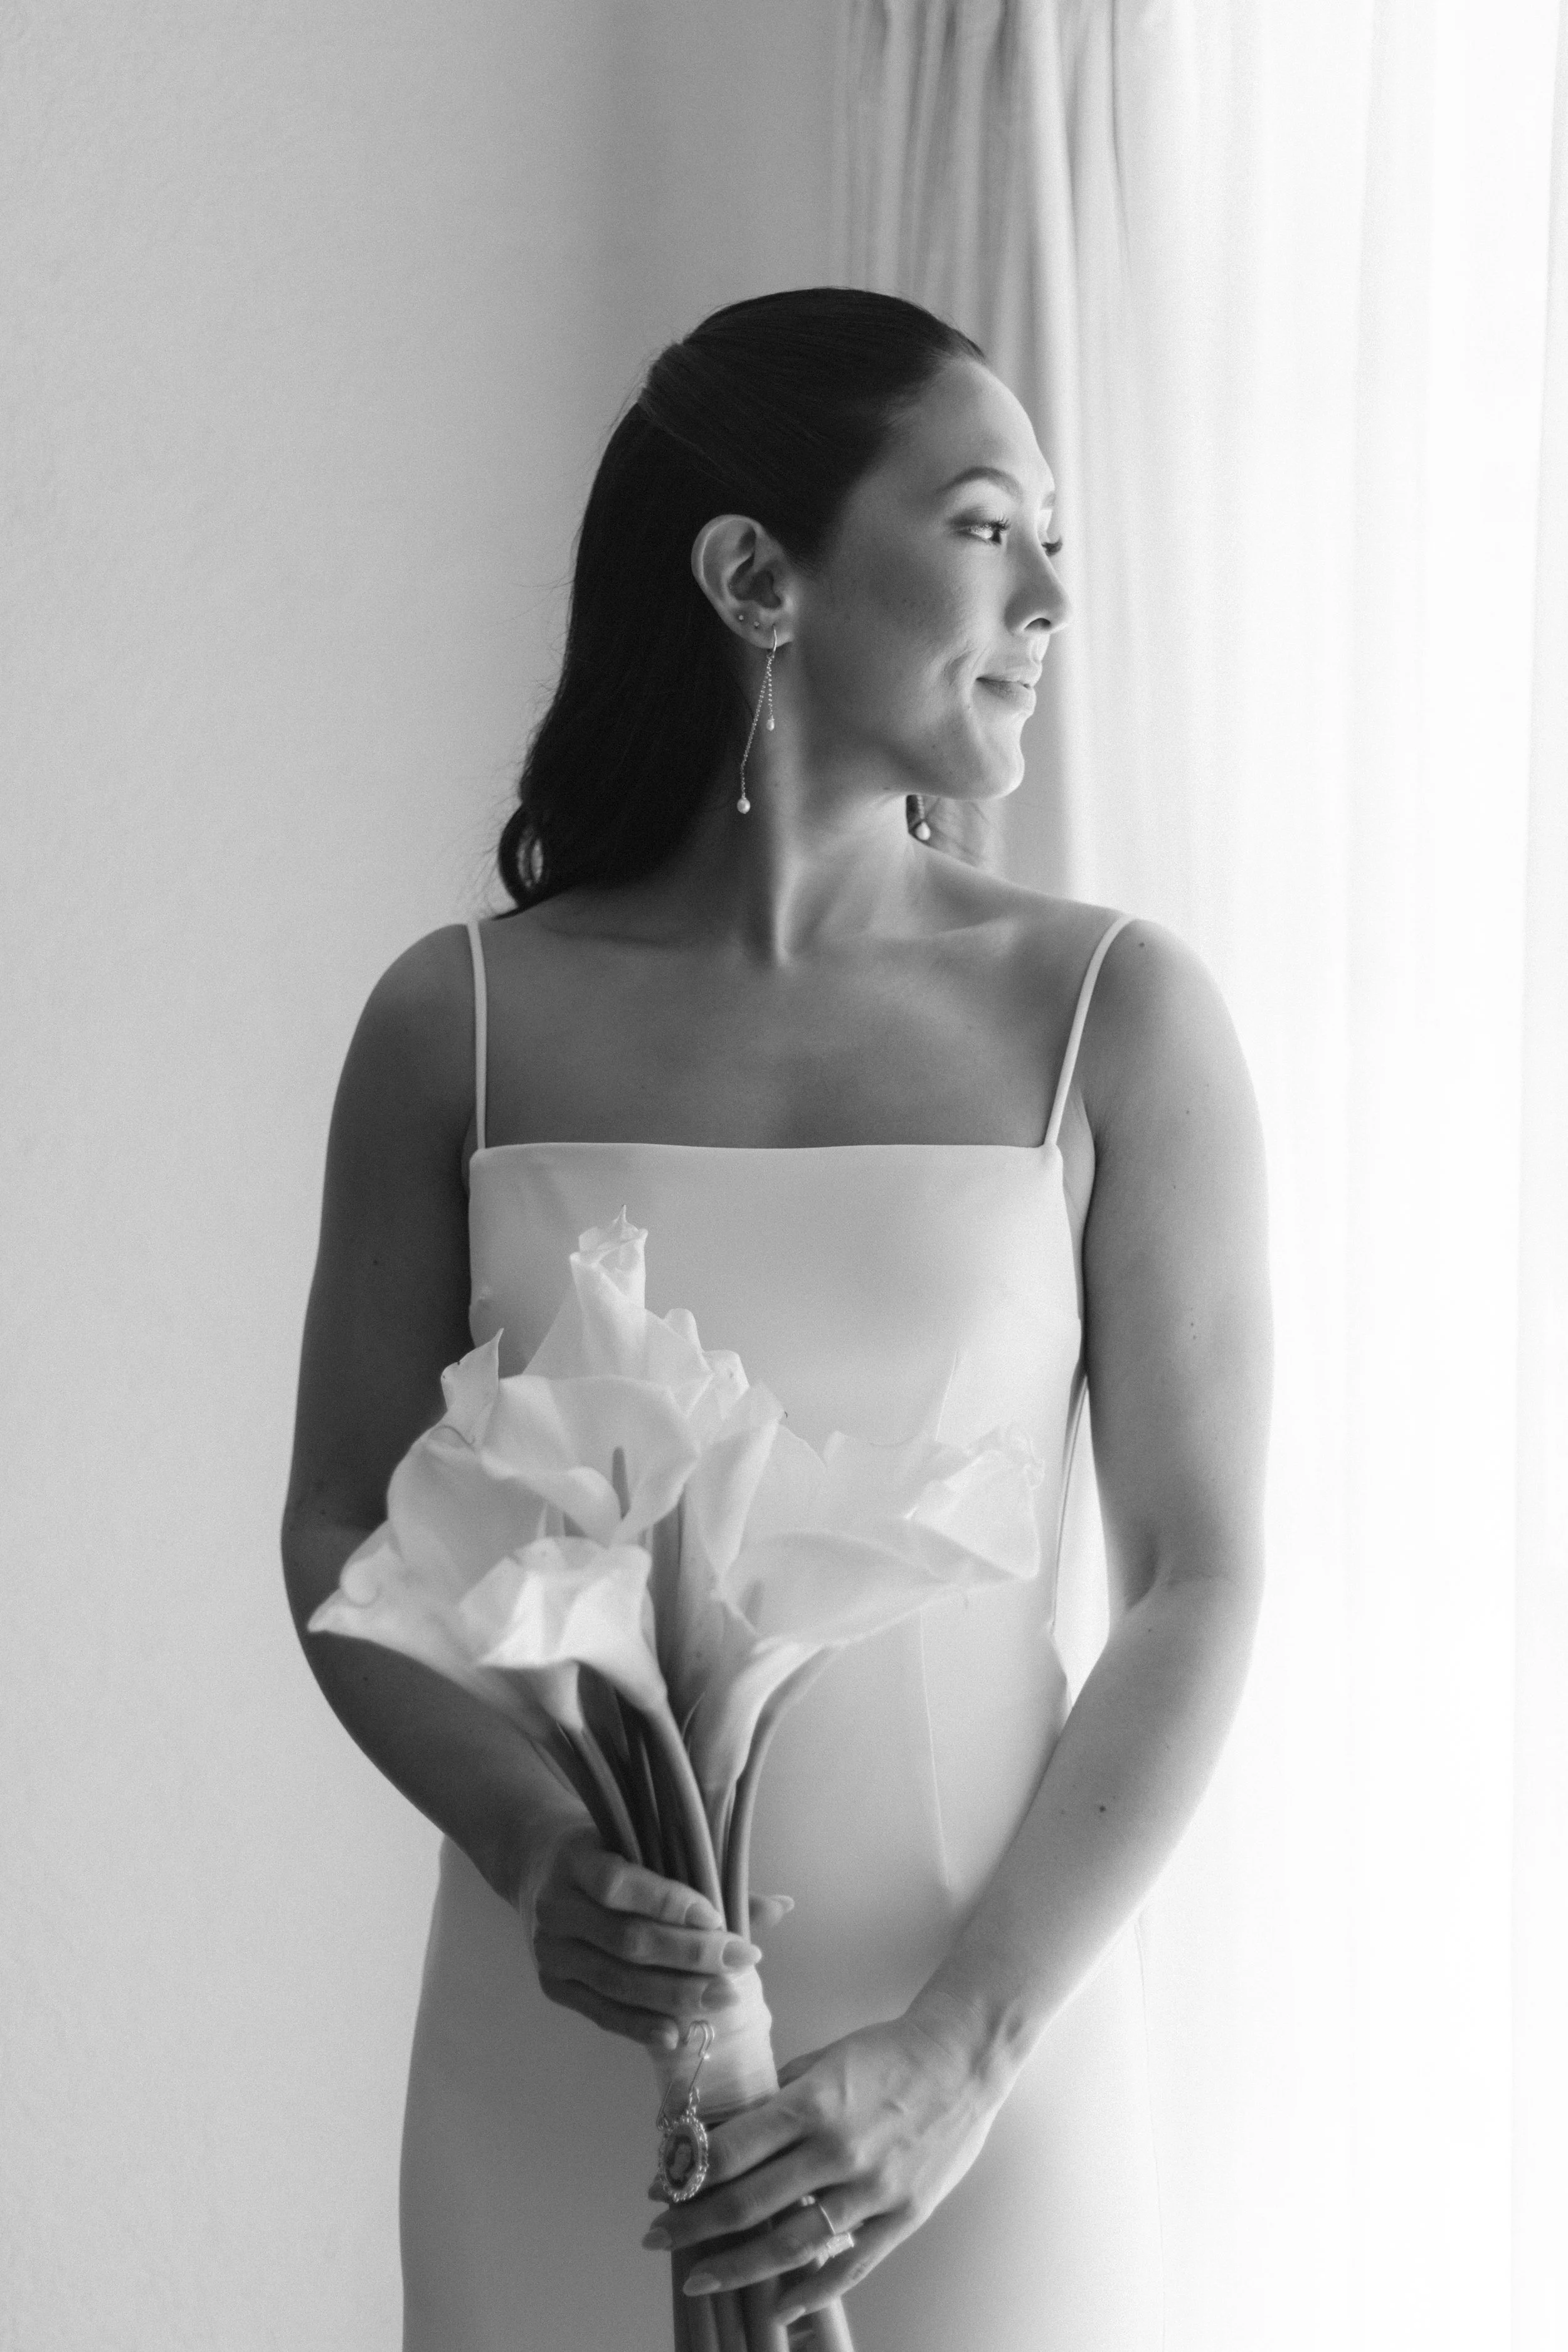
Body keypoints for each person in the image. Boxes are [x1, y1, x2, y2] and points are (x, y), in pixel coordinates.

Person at [281, 287, 1273, 2352]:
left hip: (974, 2083)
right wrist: (537, 1847)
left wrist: (962, 2054)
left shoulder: (1112, 1018)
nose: (1055, 591)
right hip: (560, 2067)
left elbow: (1197, 1571)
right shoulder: (451, 1021)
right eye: (993, 522)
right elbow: (340, 1539)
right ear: (756, 574)